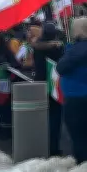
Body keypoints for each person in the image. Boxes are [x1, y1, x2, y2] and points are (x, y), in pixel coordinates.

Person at [56, 17, 87, 164]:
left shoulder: (79, 49)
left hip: (76, 96)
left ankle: (85, 167)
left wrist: (69, 49)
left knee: (79, 136)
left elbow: (61, 67)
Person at [31, 22, 65, 155]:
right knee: (55, 117)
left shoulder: (37, 46)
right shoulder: (57, 48)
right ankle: (53, 147)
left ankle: (40, 145)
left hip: (39, 83)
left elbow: (35, 43)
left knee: (40, 115)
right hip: (54, 84)